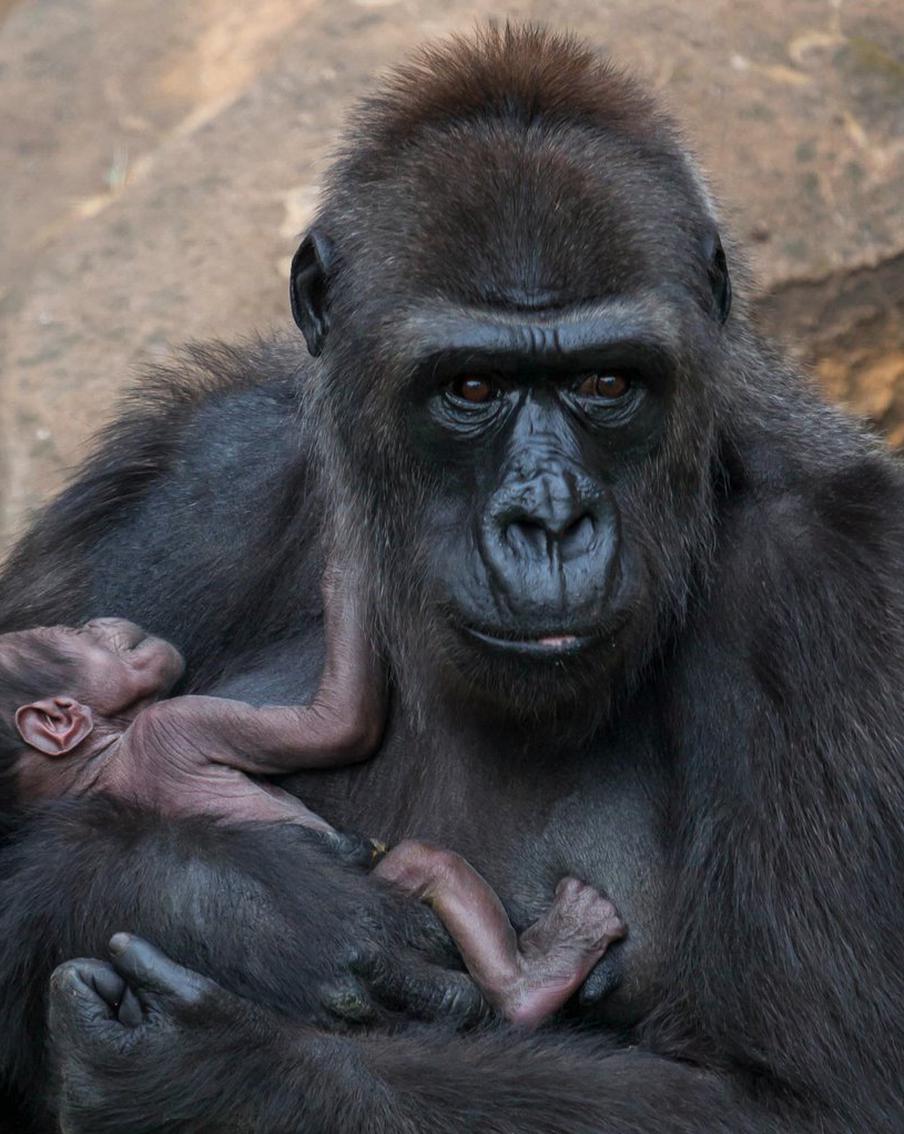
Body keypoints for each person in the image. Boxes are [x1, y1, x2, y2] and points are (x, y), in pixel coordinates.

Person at [0, 617, 625, 1027]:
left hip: (277, 983)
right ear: (58, 722)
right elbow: (341, 726)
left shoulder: (59, 828)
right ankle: (517, 982)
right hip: (351, 895)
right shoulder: (167, 732)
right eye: (78, 633)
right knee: (429, 865)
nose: (104, 621)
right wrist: (347, 575)